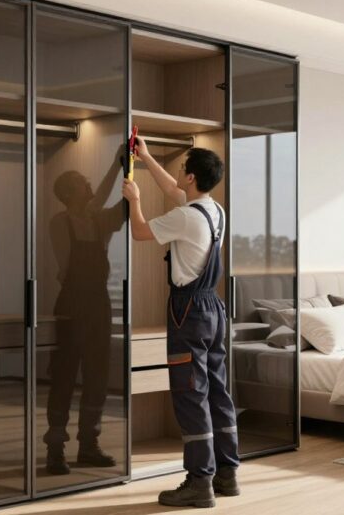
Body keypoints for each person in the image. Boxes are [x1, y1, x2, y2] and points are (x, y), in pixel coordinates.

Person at [121, 139, 240, 508]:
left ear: (190, 176)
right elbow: (175, 192)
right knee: (217, 392)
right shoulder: (212, 210)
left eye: (181, 168)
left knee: (191, 394)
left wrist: (134, 199)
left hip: (188, 311)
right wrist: (146, 158)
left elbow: (140, 232)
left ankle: (199, 483)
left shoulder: (187, 217)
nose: (176, 174)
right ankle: (226, 474)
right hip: (213, 310)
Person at [44, 158, 124, 475]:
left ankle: (89, 445)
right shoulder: (60, 222)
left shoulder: (99, 220)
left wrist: (128, 169)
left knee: (97, 375)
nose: (88, 183)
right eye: (81, 180)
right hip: (72, 304)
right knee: (64, 375)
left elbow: (121, 207)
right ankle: (55, 448)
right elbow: (100, 204)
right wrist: (116, 165)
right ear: (68, 193)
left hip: (98, 304)